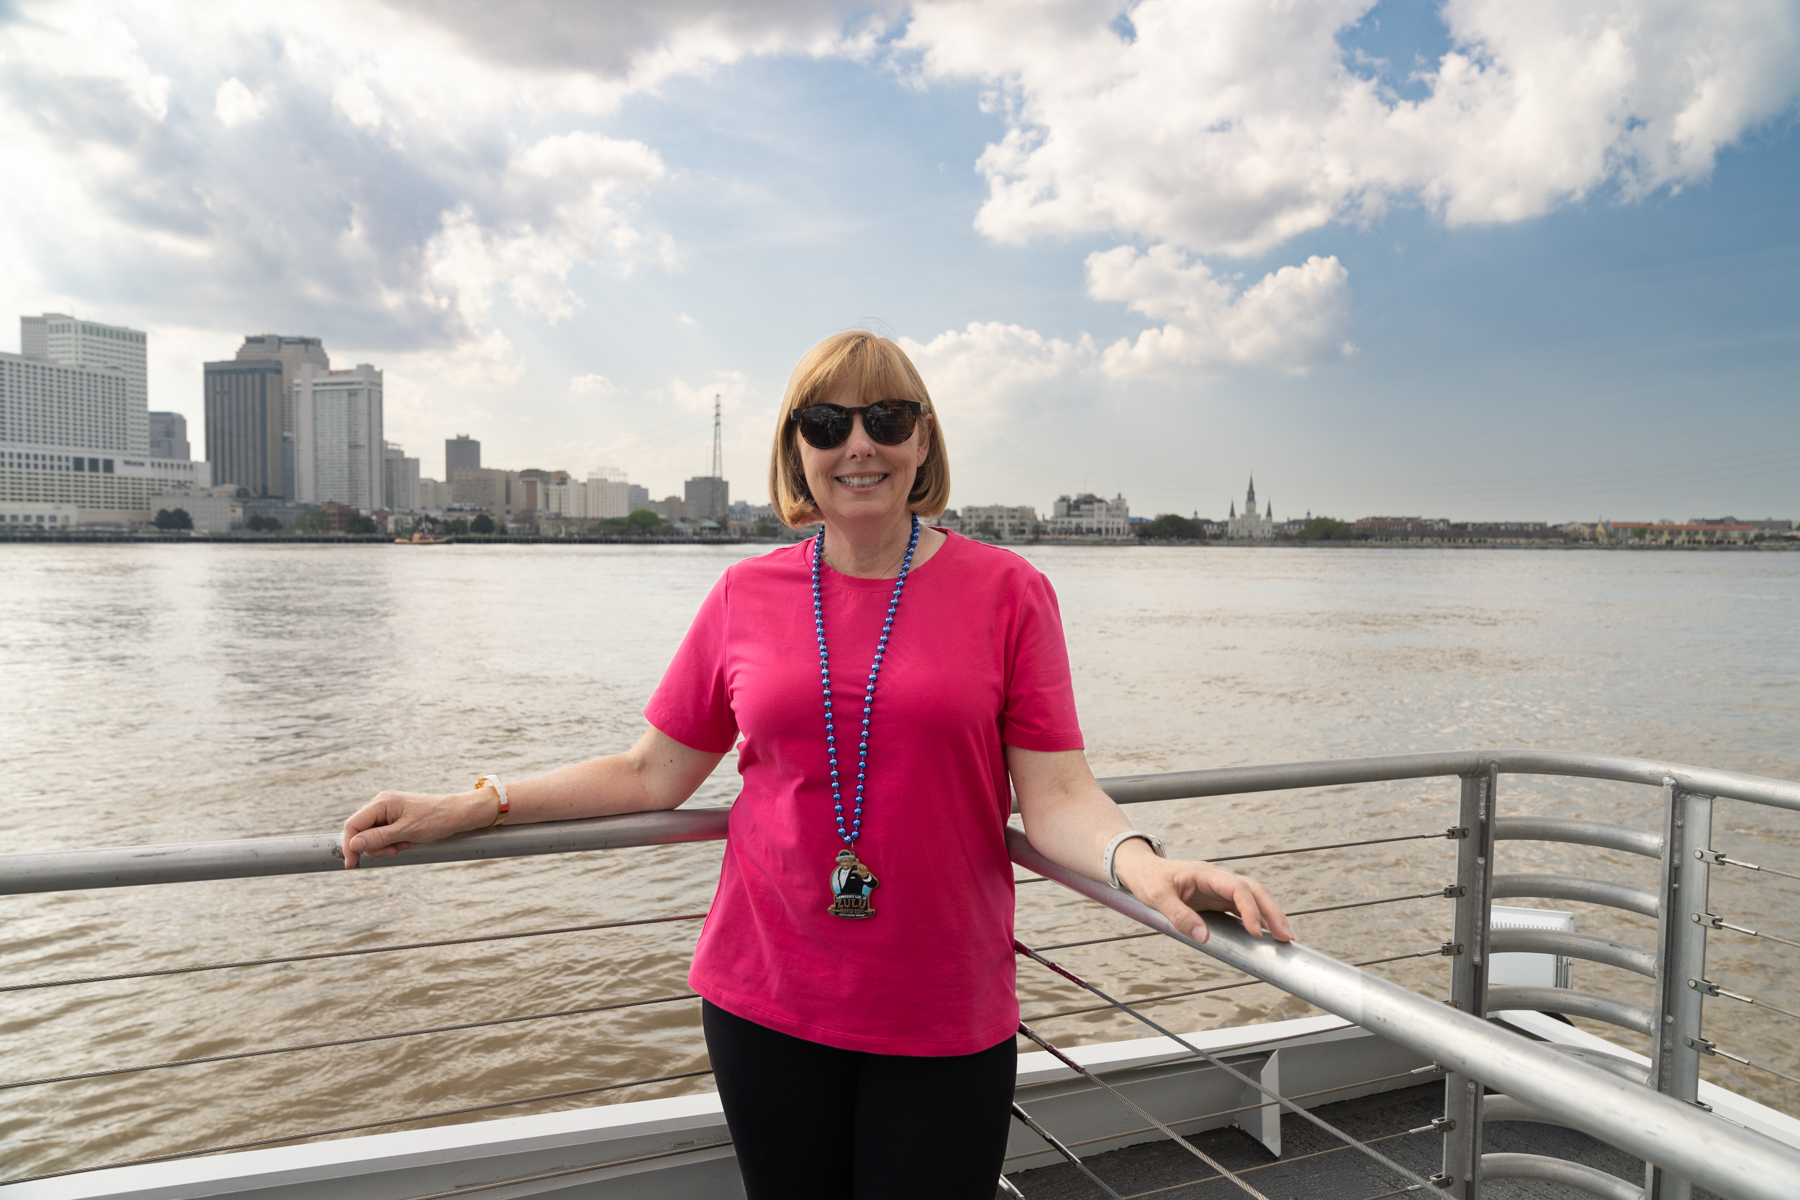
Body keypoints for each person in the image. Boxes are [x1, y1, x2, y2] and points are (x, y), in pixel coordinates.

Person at [340, 331, 1292, 1200]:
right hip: (765, 998)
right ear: (796, 448)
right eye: (828, 424)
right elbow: (652, 774)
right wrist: (477, 803)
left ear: (924, 442)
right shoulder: (743, 592)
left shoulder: (1011, 592)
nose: (859, 447)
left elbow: (1058, 798)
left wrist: (1147, 867)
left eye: (887, 419)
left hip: (943, 1006)